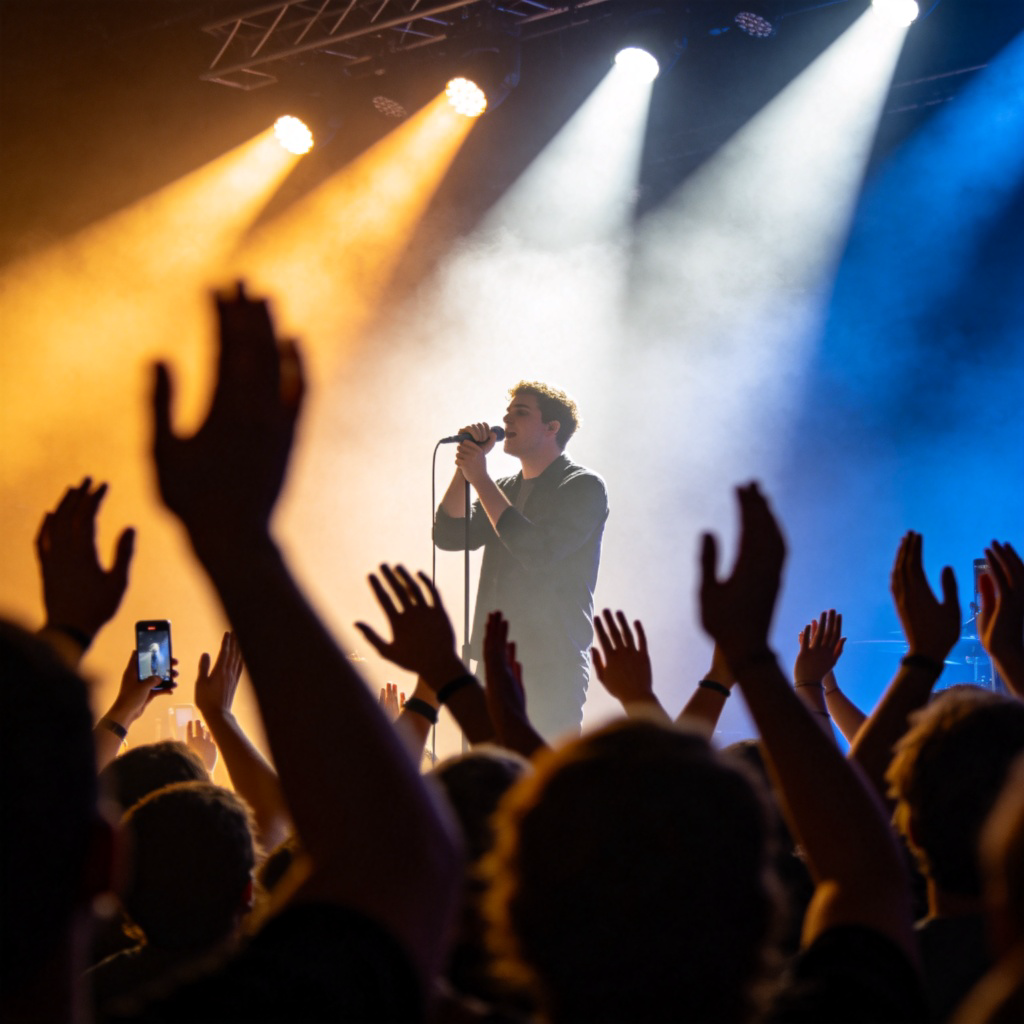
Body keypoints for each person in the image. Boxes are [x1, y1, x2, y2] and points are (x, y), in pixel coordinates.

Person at [433, 381, 608, 740]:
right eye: (507, 412)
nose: (506, 419)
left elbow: (538, 552)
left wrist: (480, 479)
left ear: (552, 427)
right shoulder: (505, 488)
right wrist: (465, 470)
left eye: (521, 413)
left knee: (543, 767)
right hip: (493, 658)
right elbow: (449, 535)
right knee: (489, 766)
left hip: (551, 664)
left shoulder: (583, 487)